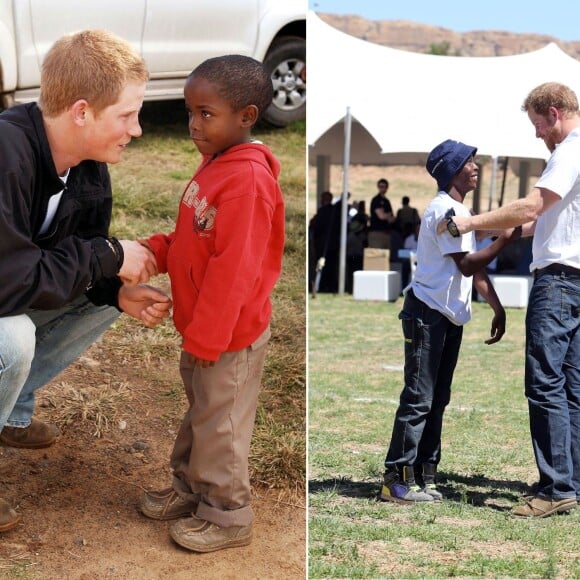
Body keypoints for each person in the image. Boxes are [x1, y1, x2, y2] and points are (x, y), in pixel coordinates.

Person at [0, 30, 171, 532]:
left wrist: (116, 289)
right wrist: (108, 253)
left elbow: (74, 259)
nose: (137, 129)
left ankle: (11, 413)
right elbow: (8, 283)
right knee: (12, 339)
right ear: (81, 112)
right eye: (126, 115)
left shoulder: (89, 166)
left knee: (106, 293)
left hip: (11, 285)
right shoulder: (7, 149)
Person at [137, 55, 285, 552]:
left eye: (206, 114)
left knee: (220, 424)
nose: (192, 126)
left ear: (246, 116)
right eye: (190, 112)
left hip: (228, 335)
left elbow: (235, 271)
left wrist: (207, 335)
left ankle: (228, 515)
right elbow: (194, 236)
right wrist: (157, 251)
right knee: (203, 412)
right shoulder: (217, 164)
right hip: (203, 328)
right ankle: (191, 490)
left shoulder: (247, 181)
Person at [437, 82, 580, 518]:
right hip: (576, 278)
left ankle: (556, 489)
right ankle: (570, 482)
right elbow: (548, 219)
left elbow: (533, 206)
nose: (538, 134)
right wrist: (501, 232)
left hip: (558, 280)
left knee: (545, 382)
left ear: (554, 113)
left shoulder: (570, 151)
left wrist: (469, 223)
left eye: (538, 124)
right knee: (572, 386)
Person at [379, 139, 521, 503]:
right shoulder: (443, 212)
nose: (475, 167)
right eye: (468, 163)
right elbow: (468, 264)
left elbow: (473, 271)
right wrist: (504, 240)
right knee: (419, 397)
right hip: (427, 314)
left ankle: (425, 474)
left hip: (447, 316)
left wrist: (497, 307)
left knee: (438, 398)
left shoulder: (462, 211)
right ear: (451, 170)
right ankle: (396, 478)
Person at [368, 178, 395, 249]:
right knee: (377, 256)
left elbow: (392, 219)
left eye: (384, 186)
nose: (382, 188)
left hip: (386, 233)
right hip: (376, 233)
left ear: (387, 188)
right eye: (380, 186)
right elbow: (381, 216)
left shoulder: (387, 201)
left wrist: (386, 215)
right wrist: (387, 215)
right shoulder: (376, 200)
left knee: (385, 257)